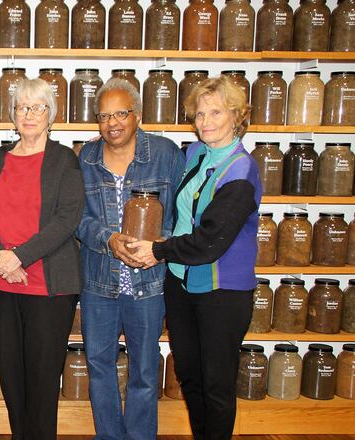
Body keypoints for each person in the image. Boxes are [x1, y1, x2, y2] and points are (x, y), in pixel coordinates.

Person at [129, 75, 261, 440]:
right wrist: (102, 143)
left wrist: (158, 249)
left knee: (216, 385)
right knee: (190, 376)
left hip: (222, 292)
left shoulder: (241, 170)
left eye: (215, 112)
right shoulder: (195, 154)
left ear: (237, 116)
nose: (206, 122)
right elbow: (154, 155)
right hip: (182, 285)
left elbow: (209, 242)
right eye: (200, 114)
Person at [0, 78, 84, 440]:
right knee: (12, 377)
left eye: (38, 107)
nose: (29, 114)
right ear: (13, 116)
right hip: (1, 283)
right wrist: (3, 262)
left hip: (48, 288)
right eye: (22, 107)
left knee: (42, 378)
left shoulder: (64, 159)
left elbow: (68, 218)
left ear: (51, 114)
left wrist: (19, 257)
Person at [76, 78, 185, 440]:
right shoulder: (86, 158)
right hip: (98, 284)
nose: (112, 123)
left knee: (143, 369)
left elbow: (182, 215)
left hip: (150, 283)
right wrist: (108, 239)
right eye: (104, 116)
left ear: (137, 115)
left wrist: (160, 247)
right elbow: (78, 218)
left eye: (121, 113)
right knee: (99, 366)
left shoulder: (167, 154)